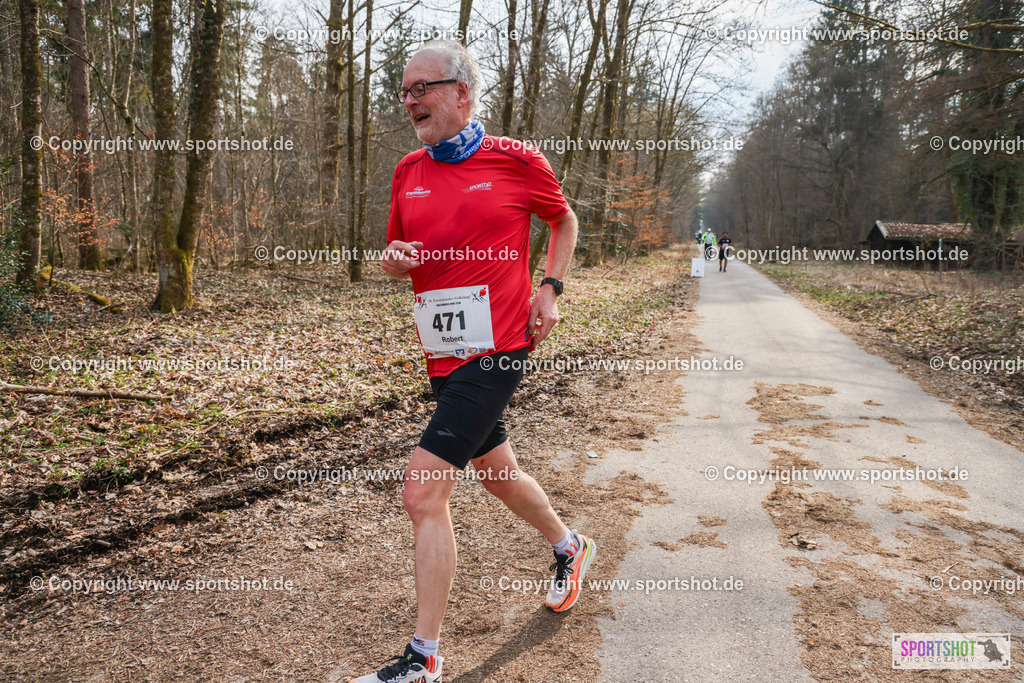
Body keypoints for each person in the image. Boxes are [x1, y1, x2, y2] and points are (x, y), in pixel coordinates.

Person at [354, 41, 596, 683]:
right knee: (495, 470)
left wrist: (551, 286)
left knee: (422, 489)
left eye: (420, 89)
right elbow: (398, 247)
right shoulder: (409, 170)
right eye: (403, 93)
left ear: (461, 91)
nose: (409, 103)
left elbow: (563, 222)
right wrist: (397, 257)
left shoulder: (517, 160)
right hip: (443, 351)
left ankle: (423, 659)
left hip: (501, 345)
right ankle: (571, 548)